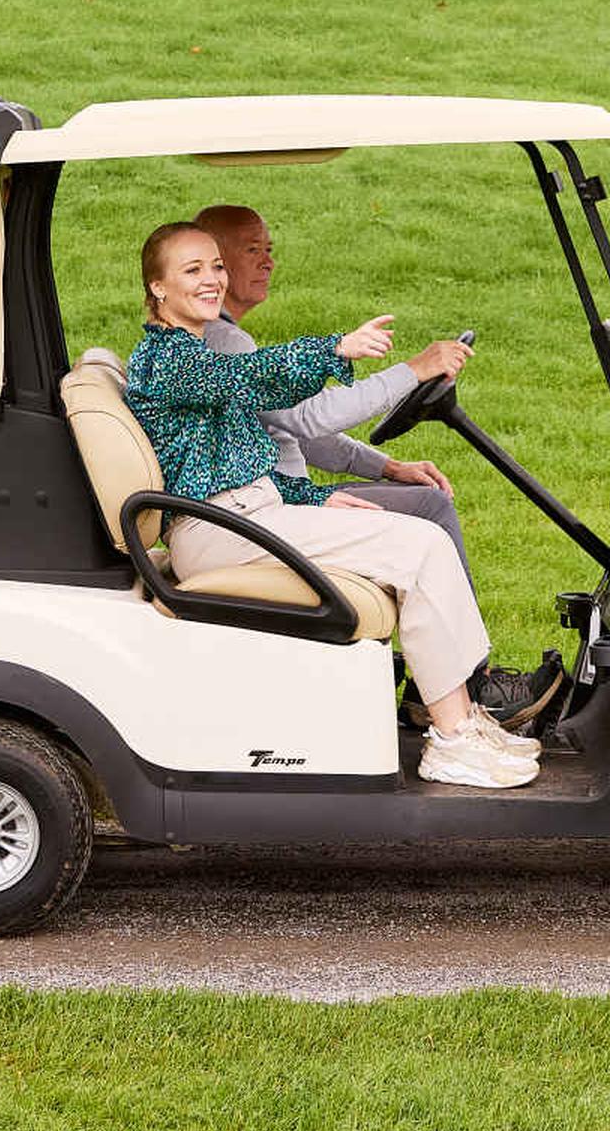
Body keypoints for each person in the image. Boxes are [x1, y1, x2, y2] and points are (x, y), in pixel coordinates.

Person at [123, 221, 535, 791]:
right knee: (422, 548)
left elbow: (245, 457)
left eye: (216, 266)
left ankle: (462, 717)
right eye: (193, 270)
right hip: (223, 531)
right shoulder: (171, 360)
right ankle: (453, 737)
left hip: (246, 518)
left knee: (412, 536)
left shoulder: (193, 354)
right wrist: (335, 349)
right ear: (158, 287)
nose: (213, 279)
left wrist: (320, 497)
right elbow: (254, 377)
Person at [192, 203, 466, 556]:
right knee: (432, 508)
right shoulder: (224, 343)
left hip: (276, 506)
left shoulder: (221, 338)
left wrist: (387, 468)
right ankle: (463, 614)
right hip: (271, 519)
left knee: (423, 501)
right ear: (216, 265)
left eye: (269, 250)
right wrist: (413, 371)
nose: (268, 263)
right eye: (252, 250)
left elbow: (288, 428)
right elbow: (308, 417)